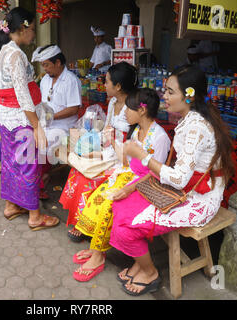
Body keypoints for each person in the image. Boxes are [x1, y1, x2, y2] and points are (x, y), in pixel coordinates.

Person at [109, 64, 235, 296]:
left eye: (170, 92)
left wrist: (142, 156)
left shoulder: (196, 127)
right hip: (186, 187)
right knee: (121, 206)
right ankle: (140, 263)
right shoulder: (190, 119)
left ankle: (150, 272)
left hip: (199, 199)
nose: (164, 96)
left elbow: (178, 178)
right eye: (165, 90)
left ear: (189, 96)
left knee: (127, 225)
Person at [72, 88, 171, 282]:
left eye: (129, 109)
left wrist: (127, 188)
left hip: (144, 185)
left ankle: (99, 256)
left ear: (141, 111)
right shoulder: (137, 131)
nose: (125, 113)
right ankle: (96, 247)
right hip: (128, 176)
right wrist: (114, 170)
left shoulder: (160, 138)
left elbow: (155, 174)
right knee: (97, 197)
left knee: (110, 205)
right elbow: (127, 161)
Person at [0, 7, 60, 230]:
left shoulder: (2, 51)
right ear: (23, 28)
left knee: (12, 163)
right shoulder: (16, 55)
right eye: (32, 29)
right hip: (21, 118)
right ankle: (35, 216)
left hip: (6, 116)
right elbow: (22, 94)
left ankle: (11, 206)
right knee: (29, 165)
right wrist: (37, 126)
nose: (34, 34)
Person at [59, 62, 135, 241]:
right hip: (109, 151)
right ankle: (79, 219)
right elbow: (106, 131)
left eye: (107, 81)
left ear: (118, 86)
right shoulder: (113, 102)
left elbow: (131, 142)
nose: (104, 84)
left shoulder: (133, 107)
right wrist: (92, 146)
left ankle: (86, 225)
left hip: (124, 159)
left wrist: (102, 152)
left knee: (88, 178)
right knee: (77, 169)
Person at [31, 44, 82, 199]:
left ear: (58, 62)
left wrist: (52, 117)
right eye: (43, 65)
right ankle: (36, 180)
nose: (45, 69)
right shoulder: (46, 79)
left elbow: (74, 109)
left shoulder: (71, 80)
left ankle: (38, 184)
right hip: (47, 123)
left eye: (47, 65)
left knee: (43, 142)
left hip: (64, 126)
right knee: (29, 140)